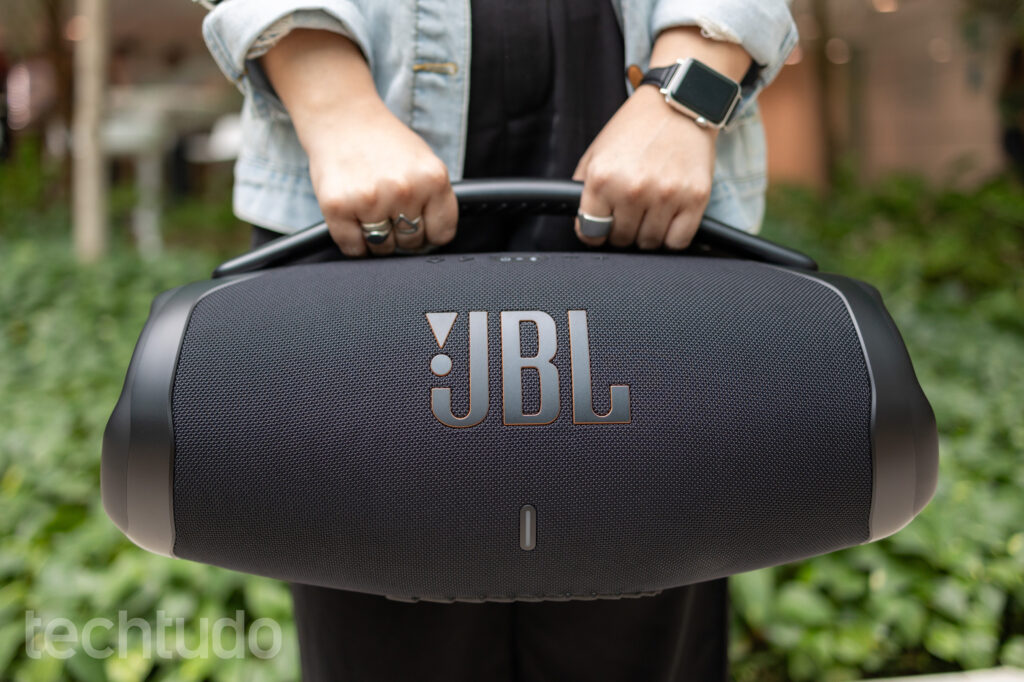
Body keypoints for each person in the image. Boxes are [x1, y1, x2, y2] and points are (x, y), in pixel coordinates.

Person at [199, 1, 797, 680]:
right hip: (357, 164)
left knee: (640, 608)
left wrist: (685, 96)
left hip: (643, 130)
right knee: (383, 616)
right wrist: (335, 106)